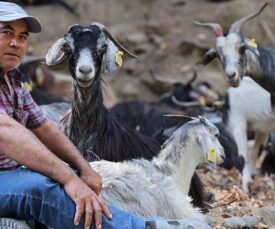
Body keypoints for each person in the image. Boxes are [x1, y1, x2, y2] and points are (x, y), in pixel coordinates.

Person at [0, 2, 210, 229]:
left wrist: (83, 169)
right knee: (42, 189)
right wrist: (69, 178)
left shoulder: (13, 82)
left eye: (22, 37)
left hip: (10, 174)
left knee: (68, 178)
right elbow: (6, 133)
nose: (16, 43)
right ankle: (141, 227)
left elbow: (45, 128)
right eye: (7, 33)